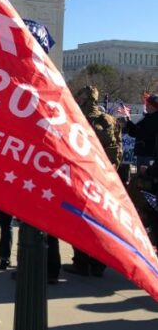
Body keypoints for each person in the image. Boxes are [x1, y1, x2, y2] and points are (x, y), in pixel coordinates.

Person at [64, 85, 122, 277]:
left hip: (82, 177)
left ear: (82, 99)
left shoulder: (76, 118)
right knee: (101, 223)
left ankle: (81, 263)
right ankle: (98, 264)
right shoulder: (110, 120)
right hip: (104, 178)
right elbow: (118, 150)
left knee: (79, 222)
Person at [125, 93, 158, 167]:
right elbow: (133, 133)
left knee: (149, 176)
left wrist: (130, 124)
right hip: (142, 153)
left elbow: (145, 133)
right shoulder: (146, 117)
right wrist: (128, 123)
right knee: (140, 176)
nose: (146, 106)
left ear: (155, 106)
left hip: (151, 154)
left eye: (148, 104)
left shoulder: (155, 119)